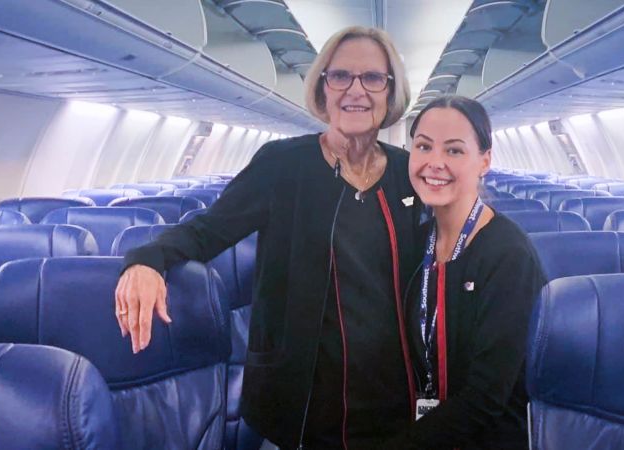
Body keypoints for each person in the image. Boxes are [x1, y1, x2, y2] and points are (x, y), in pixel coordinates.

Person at [114, 26, 425, 449]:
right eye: (340, 76)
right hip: (303, 400)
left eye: (372, 78)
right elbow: (210, 228)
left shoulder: (407, 173)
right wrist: (148, 259)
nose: (356, 90)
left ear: (390, 92)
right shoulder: (281, 164)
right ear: (322, 87)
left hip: (393, 398)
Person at [382, 95, 546, 449]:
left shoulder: (508, 255)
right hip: (430, 428)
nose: (435, 162)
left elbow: (487, 398)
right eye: (424, 146)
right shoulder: (417, 242)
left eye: (454, 151)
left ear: (484, 161)